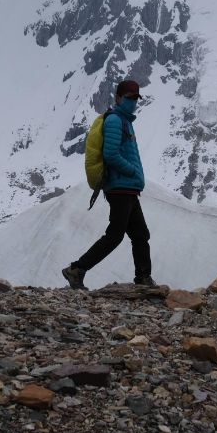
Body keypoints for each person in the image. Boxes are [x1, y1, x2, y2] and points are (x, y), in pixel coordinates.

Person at [62, 79, 155, 289]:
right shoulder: (115, 121)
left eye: (136, 99)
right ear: (119, 98)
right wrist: (132, 171)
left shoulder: (125, 121)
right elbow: (110, 154)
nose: (133, 102)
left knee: (139, 234)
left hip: (127, 188)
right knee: (116, 235)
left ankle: (143, 277)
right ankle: (76, 269)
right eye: (130, 98)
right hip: (120, 187)